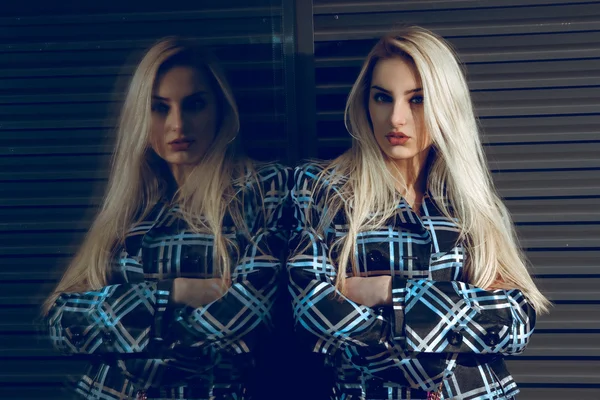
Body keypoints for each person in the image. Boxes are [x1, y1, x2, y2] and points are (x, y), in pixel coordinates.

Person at [287, 26, 550, 400]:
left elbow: (516, 322)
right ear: (366, 103)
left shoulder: (467, 198)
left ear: (444, 104)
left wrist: (386, 292)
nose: (396, 118)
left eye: (417, 99)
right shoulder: (321, 189)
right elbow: (314, 311)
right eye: (383, 98)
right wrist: (459, 318)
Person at [41, 37, 290, 400]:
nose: (178, 124)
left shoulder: (260, 190)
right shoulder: (131, 203)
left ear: (219, 109)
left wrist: (115, 326)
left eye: (194, 105)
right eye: (160, 108)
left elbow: (241, 323)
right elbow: (61, 322)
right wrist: (177, 293)